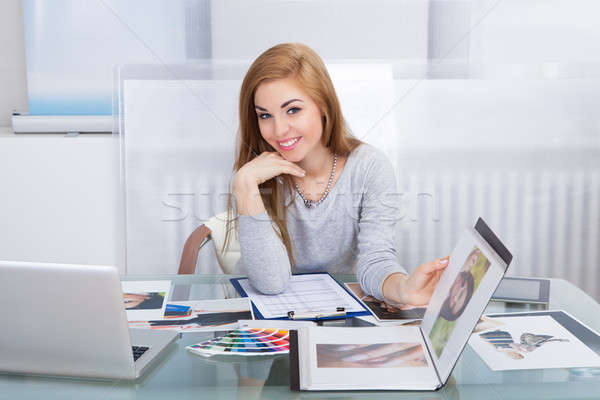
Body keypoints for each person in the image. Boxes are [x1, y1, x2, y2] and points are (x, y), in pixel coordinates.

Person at [225, 42, 448, 305]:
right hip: (264, 314)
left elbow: (375, 259)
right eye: (265, 116)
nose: (279, 130)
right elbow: (271, 283)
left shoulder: (369, 167)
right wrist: (245, 184)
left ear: (323, 105)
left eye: (293, 110)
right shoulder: (255, 174)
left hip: (337, 314)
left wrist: (403, 290)